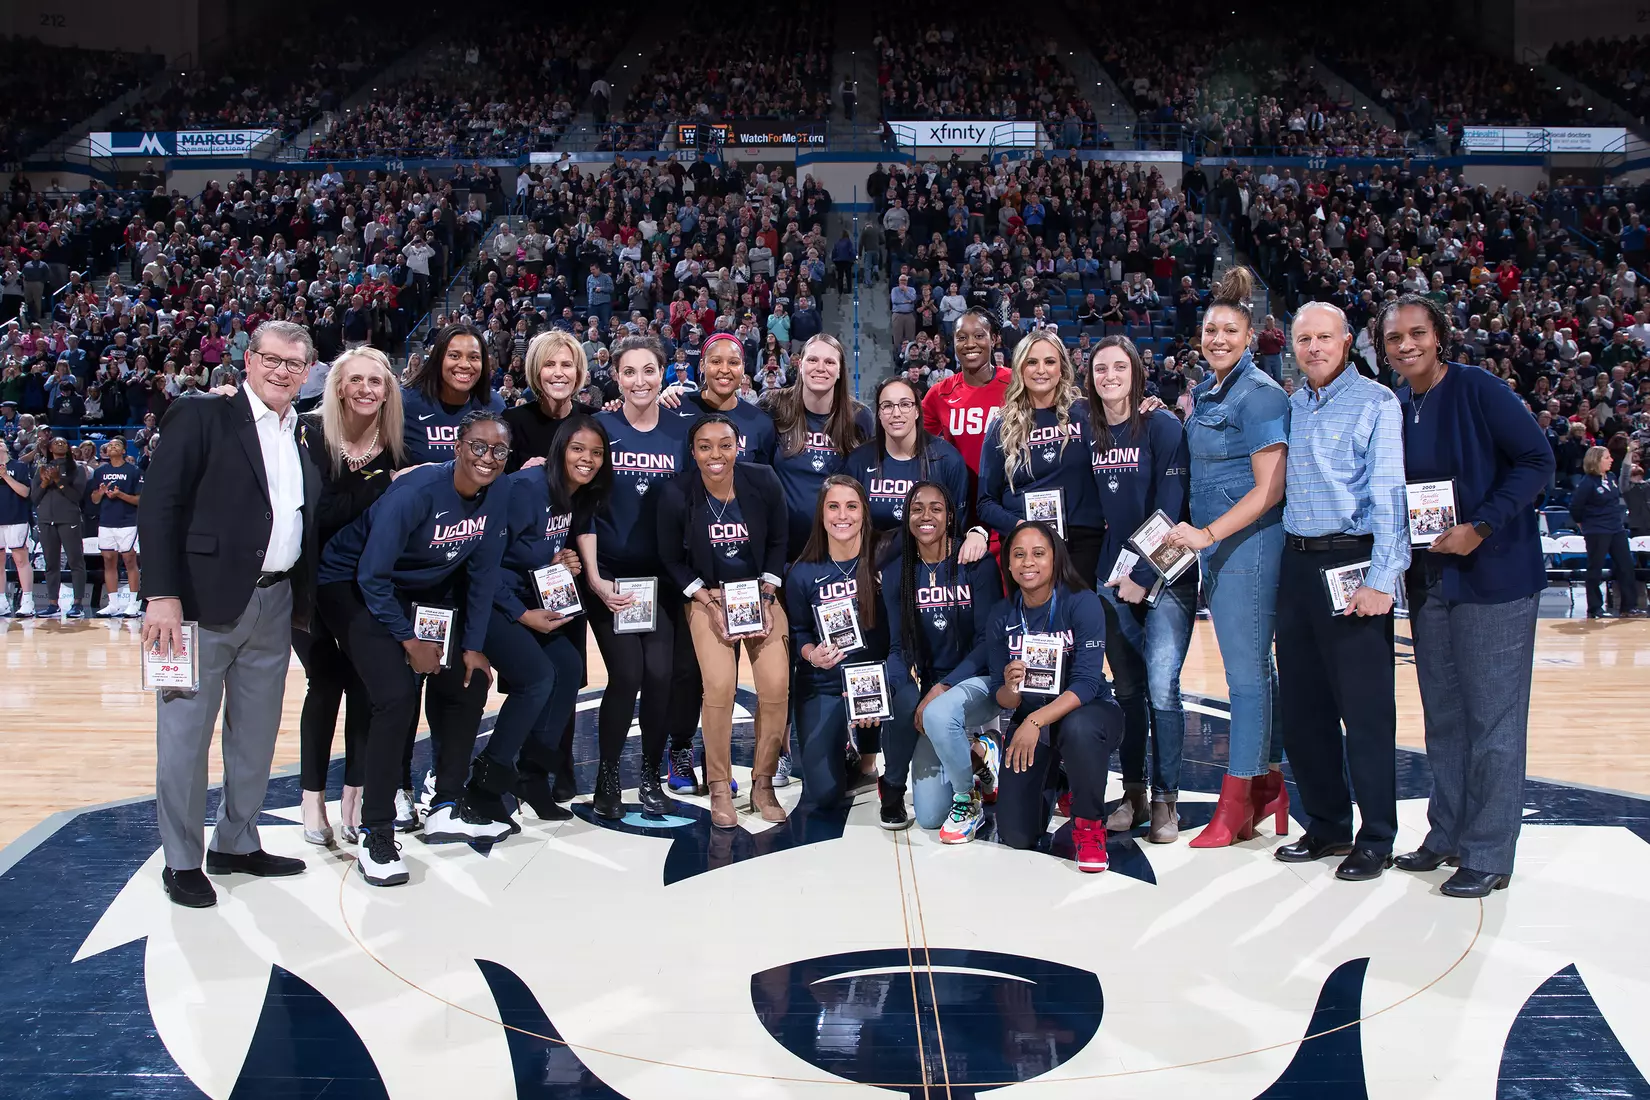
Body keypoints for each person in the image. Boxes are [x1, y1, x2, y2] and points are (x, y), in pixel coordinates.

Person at [139, 320, 319, 908]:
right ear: (248, 360)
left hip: (274, 601)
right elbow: (159, 506)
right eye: (272, 359)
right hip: (195, 602)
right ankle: (182, 859)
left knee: (257, 736)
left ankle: (236, 842)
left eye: (295, 364)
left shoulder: (302, 430)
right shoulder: (200, 414)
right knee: (186, 738)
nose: (282, 372)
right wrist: (160, 594)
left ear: (307, 371)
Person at [1383, 293, 1555, 898]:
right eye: (1395, 338)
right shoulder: (1401, 404)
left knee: (1495, 721)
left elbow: (1538, 460)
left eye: (1416, 333)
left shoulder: (1479, 388)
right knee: (1446, 719)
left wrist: (1480, 525)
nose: (1406, 345)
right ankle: (1447, 833)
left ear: (1439, 335)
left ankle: (1488, 851)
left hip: (1495, 579)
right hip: (1431, 582)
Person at [316, 410, 515, 887]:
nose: (488, 458)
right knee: (396, 696)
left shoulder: (496, 495)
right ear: (458, 445)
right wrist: (409, 640)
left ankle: (446, 804)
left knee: (468, 682)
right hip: (350, 584)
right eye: (479, 447)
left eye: (499, 450)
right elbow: (371, 575)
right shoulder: (417, 492)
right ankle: (376, 830)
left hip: (420, 592)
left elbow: (484, 575)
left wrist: (471, 646)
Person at [1271, 303, 1409, 881]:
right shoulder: (1293, 405)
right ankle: (1327, 825)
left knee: (1365, 711)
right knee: (1303, 711)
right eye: (1304, 339)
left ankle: (1376, 834)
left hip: (1354, 562)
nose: (1314, 348)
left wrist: (1382, 578)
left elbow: (1390, 495)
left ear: (1348, 341)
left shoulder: (1377, 402)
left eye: (1325, 337)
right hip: (1297, 564)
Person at [1162, 267, 1290, 849]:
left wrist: (1208, 534)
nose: (1217, 339)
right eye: (1210, 330)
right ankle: (1268, 786)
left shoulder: (1261, 395)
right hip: (1219, 550)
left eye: (1229, 332)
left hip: (1248, 547)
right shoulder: (1209, 390)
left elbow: (1269, 489)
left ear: (1249, 337)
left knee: (1244, 676)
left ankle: (1237, 801)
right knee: (1252, 671)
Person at [294, 347, 407, 847]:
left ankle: (355, 796)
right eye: (356, 379)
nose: (366, 389)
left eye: (376, 382)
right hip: (309, 585)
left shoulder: (398, 443)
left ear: (388, 391)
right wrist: (383, 482)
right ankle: (310, 799)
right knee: (327, 681)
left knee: (367, 683)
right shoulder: (311, 433)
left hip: (369, 585)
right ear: (338, 385)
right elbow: (322, 511)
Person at [578, 335, 695, 819]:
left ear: (663, 373)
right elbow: (581, 507)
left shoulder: (682, 432)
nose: (640, 380)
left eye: (649, 370)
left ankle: (649, 775)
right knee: (627, 675)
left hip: (662, 579)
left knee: (661, 675)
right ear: (617, 377)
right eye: (630, 372)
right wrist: (595, 578)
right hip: (611, 578)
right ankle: (608, 774)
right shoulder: (600, 429)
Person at [472, 414, 607, 828]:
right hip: (490, 601)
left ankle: (532, 777)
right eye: (578, 449)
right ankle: (484, 786)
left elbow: (531, 551)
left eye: (597, 453)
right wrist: (523, 614)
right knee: (536, 678)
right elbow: (482, 563)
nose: (588, 459)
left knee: (568, 668)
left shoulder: (572, 493)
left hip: (523, 596)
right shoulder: (524, 490)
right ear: (560, 449)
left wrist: (557, 560)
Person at [1086, 337, 1196, 843]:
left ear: (1136, 371)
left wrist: (1145, 577)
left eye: (1119, 366)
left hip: (1167, 575)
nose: (1110, 375)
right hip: (1112, 577)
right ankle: (1132, 794)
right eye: (1100, 368)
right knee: (1127, 690)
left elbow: (1173, 509)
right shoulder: (1085, 428)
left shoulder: (1161, 424)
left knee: (1161, 688)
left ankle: (1165, 801)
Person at [657, 414, 790, 827]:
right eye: (705, 446)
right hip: (708, 595)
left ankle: (763, 782)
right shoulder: (676, 492)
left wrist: (767, 596)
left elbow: (778, 539)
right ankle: (719, 785)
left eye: (724, 445)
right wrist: (707, 602)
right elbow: (671, 559)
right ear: (693, 451)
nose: (716, 454)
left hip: (759, 593)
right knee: (718, 685)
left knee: (775, 684)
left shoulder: (763, 479)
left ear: (739, 446)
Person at [987, 522, 1123, 871]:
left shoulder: (1081, 602)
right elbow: (1004, 700)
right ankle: (1060, 779)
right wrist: (1010, 686)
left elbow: (1087, 683)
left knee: (1078, 729)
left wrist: (1035, 721)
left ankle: (1089, 826)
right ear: (1009, 563)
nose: (1027, 562)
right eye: (1018, 554)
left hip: (1088, 714)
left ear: (1055, 558)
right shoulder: (1002, 615)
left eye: (1038, 553)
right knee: (1017, 835)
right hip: (1034, 720)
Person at [878, 481, 1005, 840]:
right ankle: (978, 755)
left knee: (937, 712)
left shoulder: (975, 564)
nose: (926, 516)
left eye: (936, 508)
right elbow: (900, 647)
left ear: (950, 516)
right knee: (931, 816)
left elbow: (987, 642)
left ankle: (970, 796)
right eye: (917, 508)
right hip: (935, 694)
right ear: (907, 518)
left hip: (980, 683)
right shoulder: (897, 574)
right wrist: (887, 689)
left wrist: (943, 687)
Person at [786, 476, 888, 809]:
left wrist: (975, 533)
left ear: (864, 513)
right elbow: (800, 632)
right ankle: (840, 746)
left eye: (851, 506)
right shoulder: (803, 572)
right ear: (821, 514)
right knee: (825, 795)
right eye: (833, 506)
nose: (842, 515)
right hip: (824, 683)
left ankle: (869, 761)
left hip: (873, 682)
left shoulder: (884, 560)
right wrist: (812, 654)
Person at [979, 332, 1105, 584]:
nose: (1041, 370)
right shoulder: (1001, 426)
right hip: (1025, 547)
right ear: (1020, 369)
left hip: (1082, 546)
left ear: (1062, 368)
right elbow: (985, 503)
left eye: (1049, 362)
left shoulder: (1086, 413)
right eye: (1032, 362)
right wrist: (1021, 527)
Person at [762, 333, 872, 558]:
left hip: (839, 550)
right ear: (800, 364)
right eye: (813, 360)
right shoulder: (772, 405)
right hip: (781, 549)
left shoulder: (859, 417)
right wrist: (680, 397)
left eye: (830, 362)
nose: (820, 368)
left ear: (840, 370)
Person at [846, 376, 977, 549]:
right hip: (873, 566)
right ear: (878, 413)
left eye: (905, 404)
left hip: (930, 565)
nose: (896, 413)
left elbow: (957, 527)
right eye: (887, 406)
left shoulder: (947, 460)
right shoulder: (859, 461)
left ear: (917, 410)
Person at [401, 322, 506, 463]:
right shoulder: (406, 401)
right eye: (454, 356)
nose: (464, 365)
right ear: (439, 359)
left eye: (473, 357)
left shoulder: (494, 405)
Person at [502, 330, 597, 473]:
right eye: (549, 364)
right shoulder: (511, 422)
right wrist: (522, 475)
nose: (558, 373)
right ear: (536, 371)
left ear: (578, 373)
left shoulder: (595, 420)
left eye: (566, 365)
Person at [680, 332, 777, 464]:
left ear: (743, 368)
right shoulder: (676, 407)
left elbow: (762, 479)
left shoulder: (761, 423)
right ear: (702, 365)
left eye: (733, 362)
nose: (725, 369)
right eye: (716, 361)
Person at [1571, 445, 1642, 618]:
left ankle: (1628, 606)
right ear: (1596, 460)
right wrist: (1583, 524)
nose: (1611, 460)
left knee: (1626, 565)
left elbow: (1624, 475)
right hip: (1597, 530)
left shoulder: (1610, 477)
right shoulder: (1587, 482)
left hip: (1616, 528)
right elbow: (1575, 507)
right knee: (1595, 568)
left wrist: (1629, 452)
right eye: (1607, 457)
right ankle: (1595, 608)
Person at [30, 436, 87, 618]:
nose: (60, 444)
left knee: (75, 562)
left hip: (68, 518)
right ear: (50, 448)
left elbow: (76, 496)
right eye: (56, 443)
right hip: (46, 519)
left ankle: (77, 604)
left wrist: (58, 481)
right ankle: (52, 604)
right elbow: (34, 497)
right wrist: (45, 482)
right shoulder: (40, 469)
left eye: (63, 442)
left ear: (68, 448)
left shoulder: (77, 469)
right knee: (51, 564)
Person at [89, 438, 143, 617]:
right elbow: (94, 499)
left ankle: (133, 603)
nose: (113, 447)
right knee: (108, 560)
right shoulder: (100, 472)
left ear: (124, 450)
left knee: (129, 560)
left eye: (117, 445)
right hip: (106, 521)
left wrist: (120, 495)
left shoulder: (133, 471)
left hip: (127, 521)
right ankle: (113, 604)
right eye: (110, 445)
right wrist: (101, 492)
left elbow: (139, 500)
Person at [0, 440, 34, 617]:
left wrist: (5, 476)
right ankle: (2, 602)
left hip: (16, 518)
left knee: (20, 560)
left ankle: (28, 601)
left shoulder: (19, 467)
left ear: (6, 447)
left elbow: (25, 492)